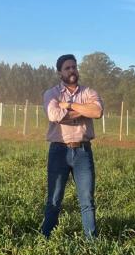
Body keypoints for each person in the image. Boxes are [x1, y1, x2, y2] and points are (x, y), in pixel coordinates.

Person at [40, 54, 103, 238]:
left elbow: (97, 111)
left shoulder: (89, 92)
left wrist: (68, 105)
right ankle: (46, 238)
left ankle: (92, 242)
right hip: (59, 150)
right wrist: (83, 111)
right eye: (67, 68)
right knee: (54, 198)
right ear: (59, 72)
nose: (72, 70)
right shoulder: (51, 93)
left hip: (83, 151)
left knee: (87, 200)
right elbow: (53, 115)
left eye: (74, 67)